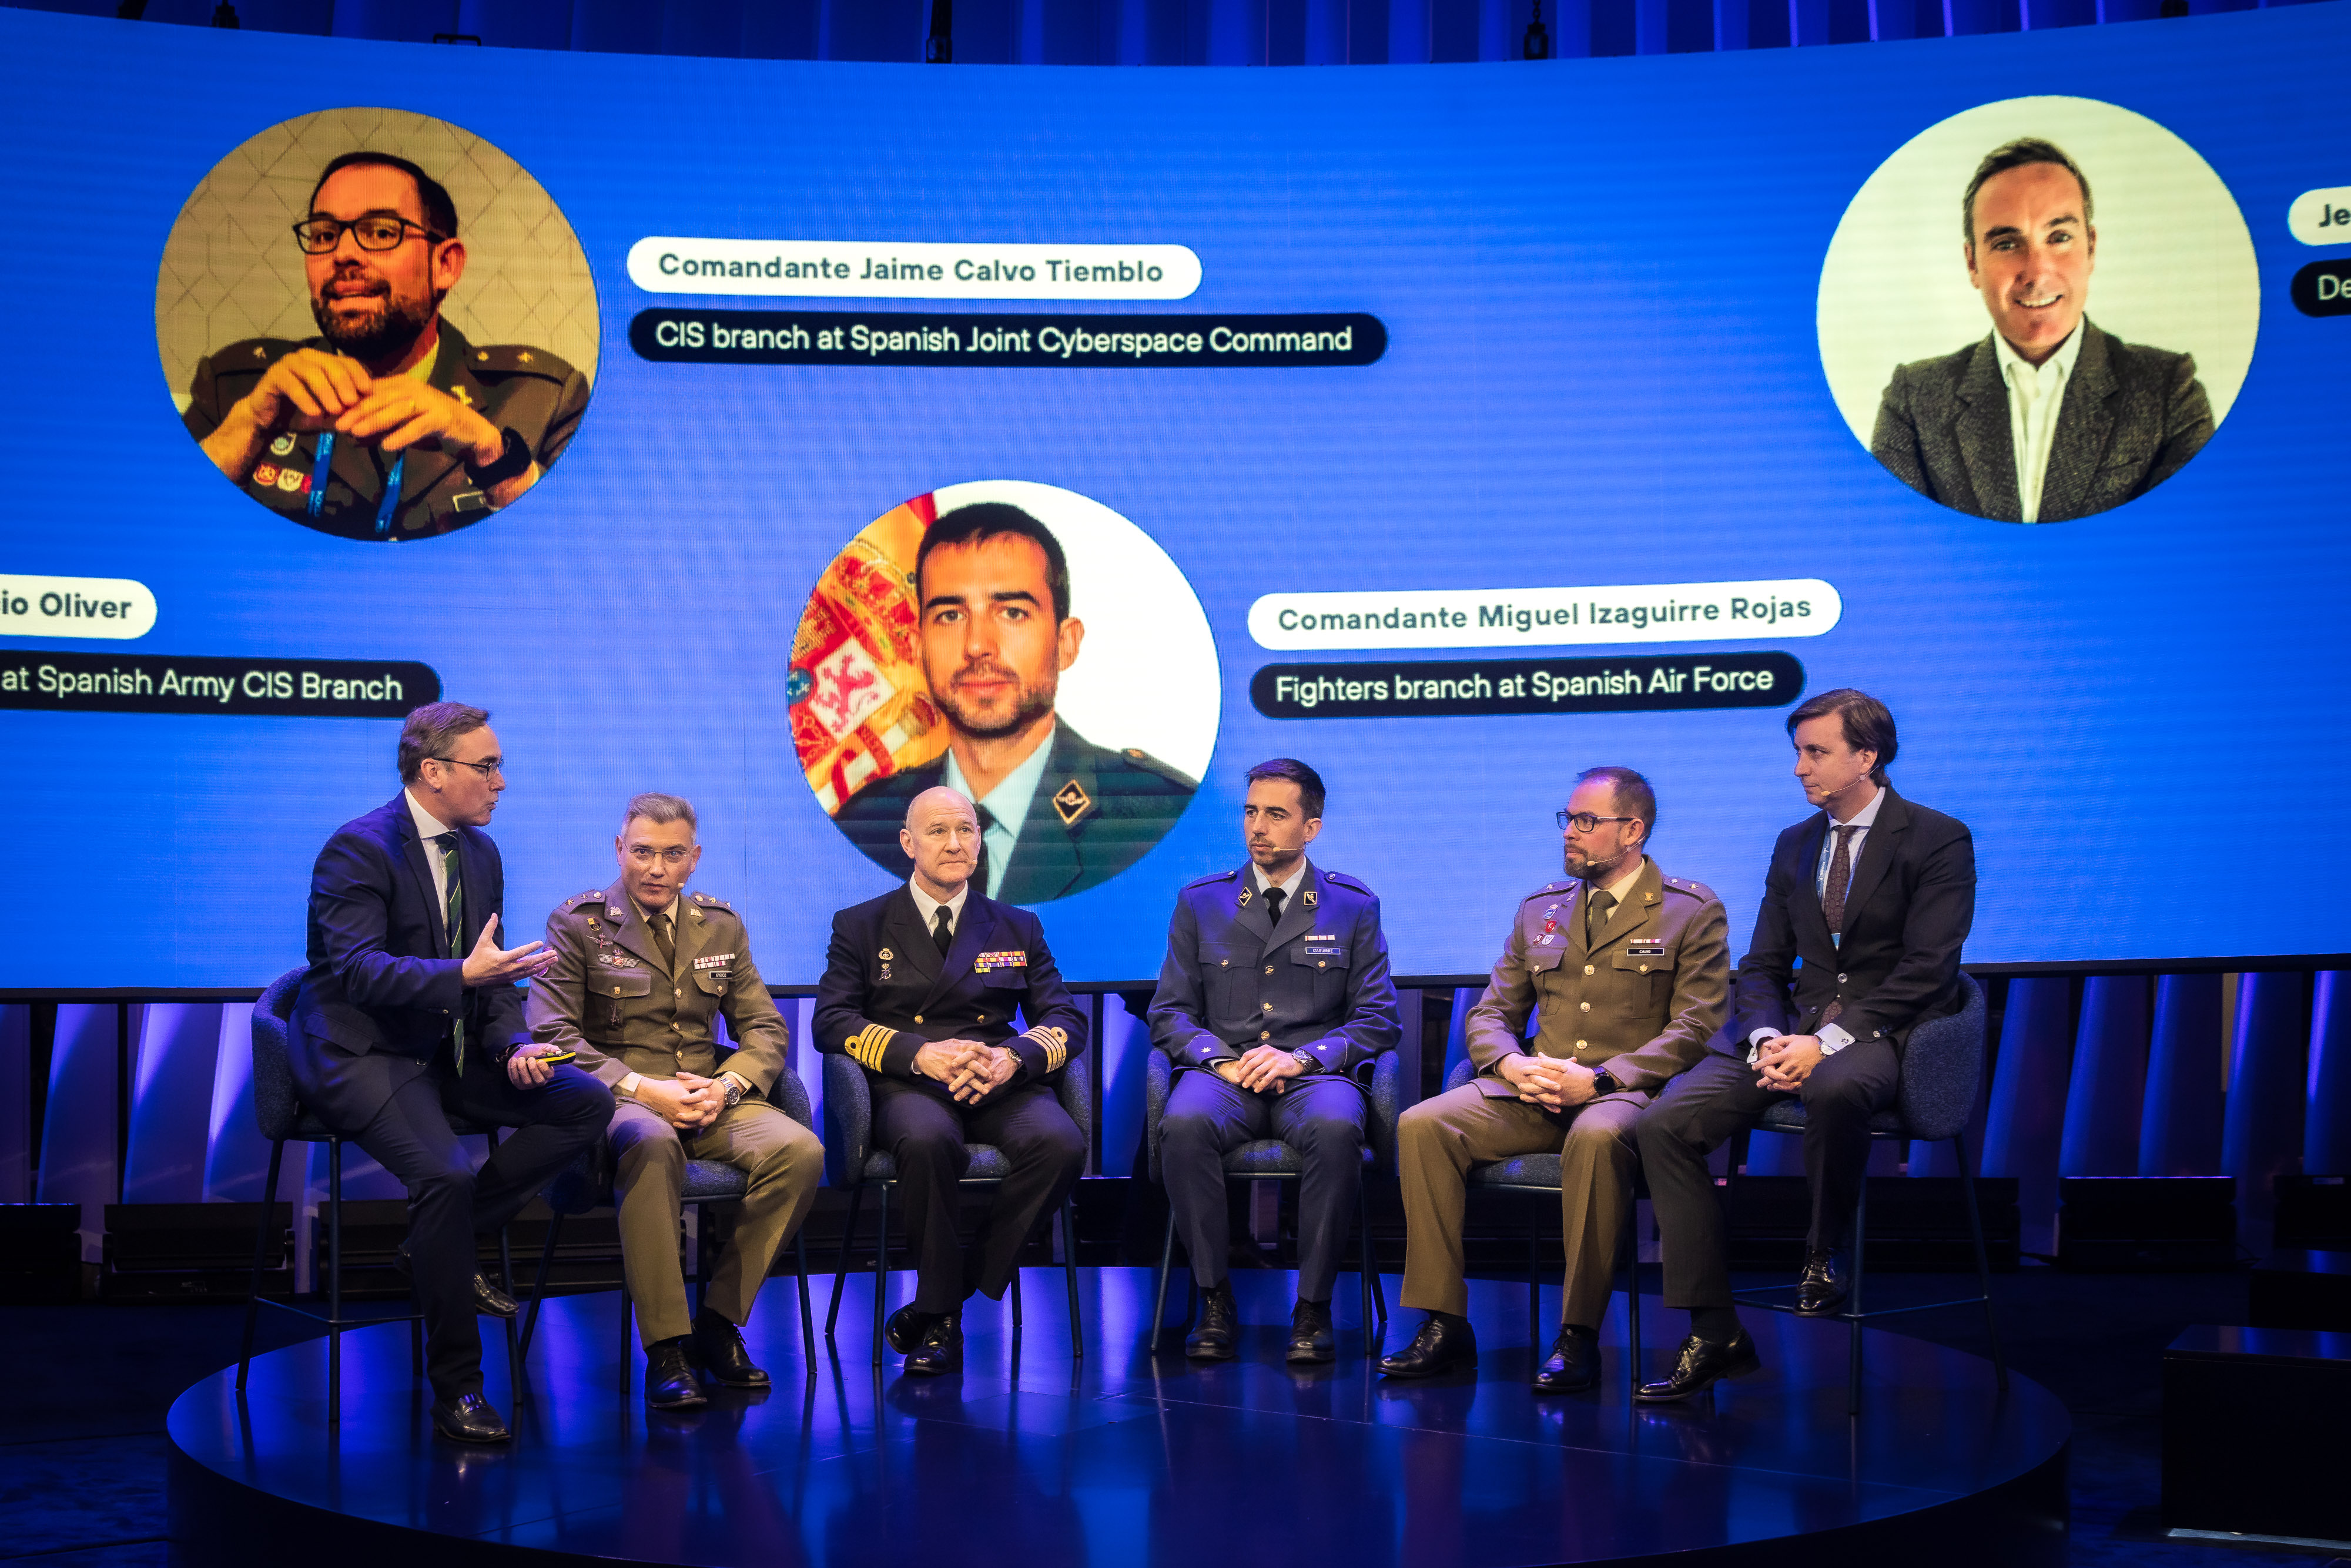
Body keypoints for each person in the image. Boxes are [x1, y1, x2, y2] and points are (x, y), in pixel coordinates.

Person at [1635, 689, 1976, 1401]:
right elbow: (1760, 964)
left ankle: (1823, 1253)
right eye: (1798, 751)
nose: (1799, 768)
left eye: (1815, 752)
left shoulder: (1937, 838)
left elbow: (1928, 968)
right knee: (1662, 1123)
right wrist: (1764, 1035)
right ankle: (1712, 1324)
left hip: (1882, 1027)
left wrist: (1823, 1041)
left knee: (1836, 1085)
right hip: (1788, 1027)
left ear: (1866, 757)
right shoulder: (1795, 842)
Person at [289, 702, 607, 1442]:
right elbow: (359, 970)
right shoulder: (358, 848)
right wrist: (464, 974)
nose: (501, 782)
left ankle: (440, 1244)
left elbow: (489, 976)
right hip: (361, 1047)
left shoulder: (481, 853)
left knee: (583, 1103)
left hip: (446, 1044)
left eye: (498, 766)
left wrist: (513, 1045)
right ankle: (458, 1390)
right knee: (445, 1176)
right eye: (486, 766)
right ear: (432, 772)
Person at [1379, 768, 1729, 1390]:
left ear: (1632, 831)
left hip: (1625, 1095)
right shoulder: (1540, 908)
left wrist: (1600, 1079)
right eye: (1566, 819)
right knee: (1422, 1123)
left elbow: (1695, 1026)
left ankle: (1577, 1334)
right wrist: (1510, 1063)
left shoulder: (1688, 909)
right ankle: (1444, 1321)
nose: (1570, 832)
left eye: (1586, 821)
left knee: (1594, 1138)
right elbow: (1491, 1011)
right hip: (1535, 1088)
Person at [525, 793, 824, 1409]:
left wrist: (727, 1086)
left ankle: (718, 1322)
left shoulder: (720, 924)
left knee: (800, 1150)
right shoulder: (576, 923)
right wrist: (643, 1090)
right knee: (653, 1140)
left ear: (693, 859)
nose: (655, 868)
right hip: (619, 1101)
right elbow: (553, 1035)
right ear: (620, 850)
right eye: (642, 852)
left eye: (670, 854)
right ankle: (666, 1347)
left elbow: (764, 1029)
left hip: (707, 1098)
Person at [813, 786, 1090, 1373]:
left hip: (995, 1078)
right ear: (908, 844)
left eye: (966, 830)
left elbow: (1065, 1018)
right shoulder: (861, 925)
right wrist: (919, 1054)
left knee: (1062, 1143)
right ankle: (945, 1323)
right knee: (928, 1141)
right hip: (910, 1082)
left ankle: (944, 1295)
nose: (955, 842)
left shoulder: (1017, 925)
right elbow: (832, 1020)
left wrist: (1013, 1058)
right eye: (938, 831)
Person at [182, 151, 590, 542]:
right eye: (324, 234)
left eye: (380, 232)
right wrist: (248, 428)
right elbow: (149, 536)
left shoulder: (542, 399)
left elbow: (597, 566)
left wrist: (492, 456)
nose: (341, 254)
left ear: (444, 265)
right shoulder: (233, 387)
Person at [1146, 759, 1400, 1364]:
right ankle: (1213, 1297)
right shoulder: (1202, 903)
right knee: (1182, 1126)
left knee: (1339, 1129)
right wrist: (1218, 1060)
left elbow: (1378, 1018)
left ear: (1310, 827)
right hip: (1224, 1076)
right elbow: (1170, 1013)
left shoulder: (1351, 906)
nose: (1257, 827)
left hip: (1311, 1079)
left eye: (1276, 815)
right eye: (1251, 811)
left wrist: (1305, 1058)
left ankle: (1312, 1305)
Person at [828, 502, 1196, 901]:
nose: (977, 645)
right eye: (950, 616)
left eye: (1013, 612)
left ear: (1066, 643)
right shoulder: (866, 823)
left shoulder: (1159, 815)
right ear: (919, 650)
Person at [1869, 138, 2213, 523]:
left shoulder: (2169, 391)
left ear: (2092, 248)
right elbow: (1893, 543)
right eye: (2006, 244)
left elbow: (2184, 540)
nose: (2036, 272)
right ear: (1972, 264)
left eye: (2060, 238)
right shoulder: (1913, 399)